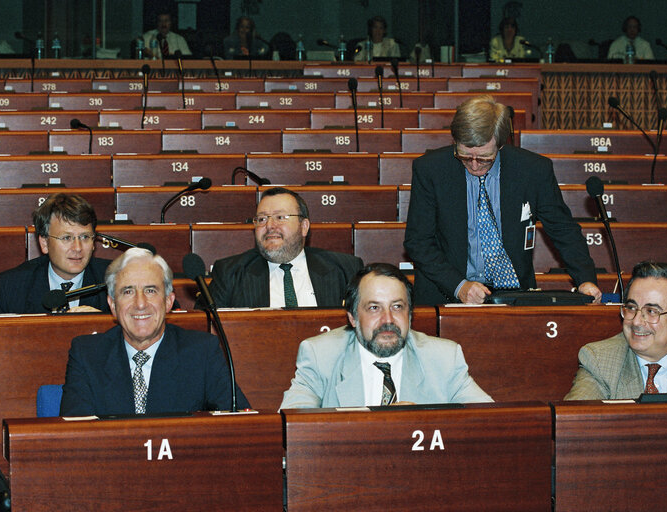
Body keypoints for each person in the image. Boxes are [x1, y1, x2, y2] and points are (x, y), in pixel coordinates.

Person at [404, 95, 601, 305]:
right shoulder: (430, 170)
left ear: (500, 144)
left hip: (514, 295)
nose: (474, 165)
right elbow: (418, 242)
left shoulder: (533, 170)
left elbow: (563, 229)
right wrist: (459, 286)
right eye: (464, 155)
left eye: (484, 158)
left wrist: (585, 279)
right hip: (446, 294)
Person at [60, 248, 249, 416]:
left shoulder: (202, 352)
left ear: (168, 301)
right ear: (112, 305)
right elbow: (74, 437)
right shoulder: (87, 355)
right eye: (128, 291)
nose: (140, 304)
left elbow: (238, 425)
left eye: (150, 291)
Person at [280, 263, 492, 409]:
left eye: (397, 307)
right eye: (374, 308)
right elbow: (295, 425)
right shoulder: (321, 355)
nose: (388, 319)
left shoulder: (443, 358)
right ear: (353, 318)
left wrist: (426, 421)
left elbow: (486, 422)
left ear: (410, 315)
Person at [0, 193, 110, 353]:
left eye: (85, 237)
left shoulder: (115, 280)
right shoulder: (13, 285)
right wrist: (35, 331)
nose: (77, 248)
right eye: (66, 238)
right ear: (44, 243)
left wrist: (104, 323)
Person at [206, 187, 363, 308]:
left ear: (304, 226)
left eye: (280, 217)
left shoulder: (345, 269)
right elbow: (205, 329)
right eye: (261, 219)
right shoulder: (230, 273)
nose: (269, 226)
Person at [565, 262, 667, 400]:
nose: (636, 322)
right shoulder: (600, 360)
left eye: (651, 311)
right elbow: (577, 417)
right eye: (631, 308)